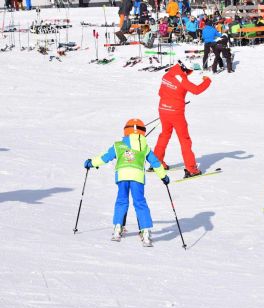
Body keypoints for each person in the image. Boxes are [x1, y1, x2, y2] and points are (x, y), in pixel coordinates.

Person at [83, 119, 170, 247]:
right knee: (140, 202)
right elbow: (156, 163)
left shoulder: (118, 145)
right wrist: (163, 176)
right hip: (137, 178)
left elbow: (105, 157)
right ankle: (145, 232)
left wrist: (91, 163)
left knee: (121, 201)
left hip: (122, 176)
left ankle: (118, 228)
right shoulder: (144, 147)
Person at [153, 61, 212, 178]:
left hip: (163, 109)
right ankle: (191, 169)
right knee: (185, 140)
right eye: (189, 71)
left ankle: (156, 162)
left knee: (164, 135)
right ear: (185, 69)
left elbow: (161, 92)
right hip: (176, 113)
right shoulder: (182, 80)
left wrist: (176, 97)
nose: (189, 73)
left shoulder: (167, 75)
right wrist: (207, 81)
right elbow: (196, 90)